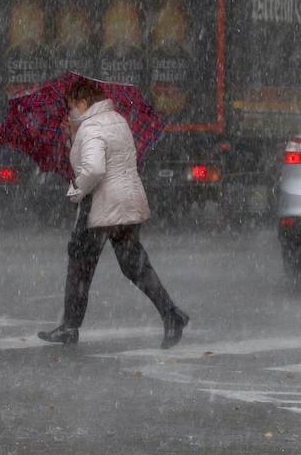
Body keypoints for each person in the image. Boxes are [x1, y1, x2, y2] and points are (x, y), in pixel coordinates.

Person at [37, 78, 189, 349]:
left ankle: (70, 327)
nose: (69, 111)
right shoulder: (117, 120)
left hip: (100, 204)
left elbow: (93, 169)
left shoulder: (91, 127)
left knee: (80, 266)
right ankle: (171, 313)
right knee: (135, 265)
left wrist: (75, 191)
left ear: (83, 104)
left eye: (71, 106)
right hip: (128, 201)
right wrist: (74, 134)